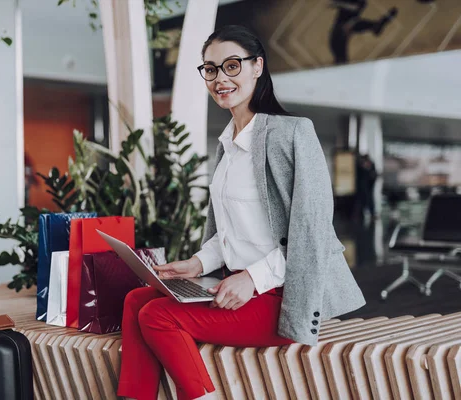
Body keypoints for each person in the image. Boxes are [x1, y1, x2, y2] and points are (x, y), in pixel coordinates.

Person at [117, 25, 366, 400]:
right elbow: (233, 232)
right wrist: (197, 264)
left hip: (279, 296)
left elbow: (311, 233)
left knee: (158, 315)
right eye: (211, 69)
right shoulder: (227, 146)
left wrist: (252, 277)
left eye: (232, 66)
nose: (220, 79)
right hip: (236, 289)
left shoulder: (293, 133)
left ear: (257, 67)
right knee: (137, 299)